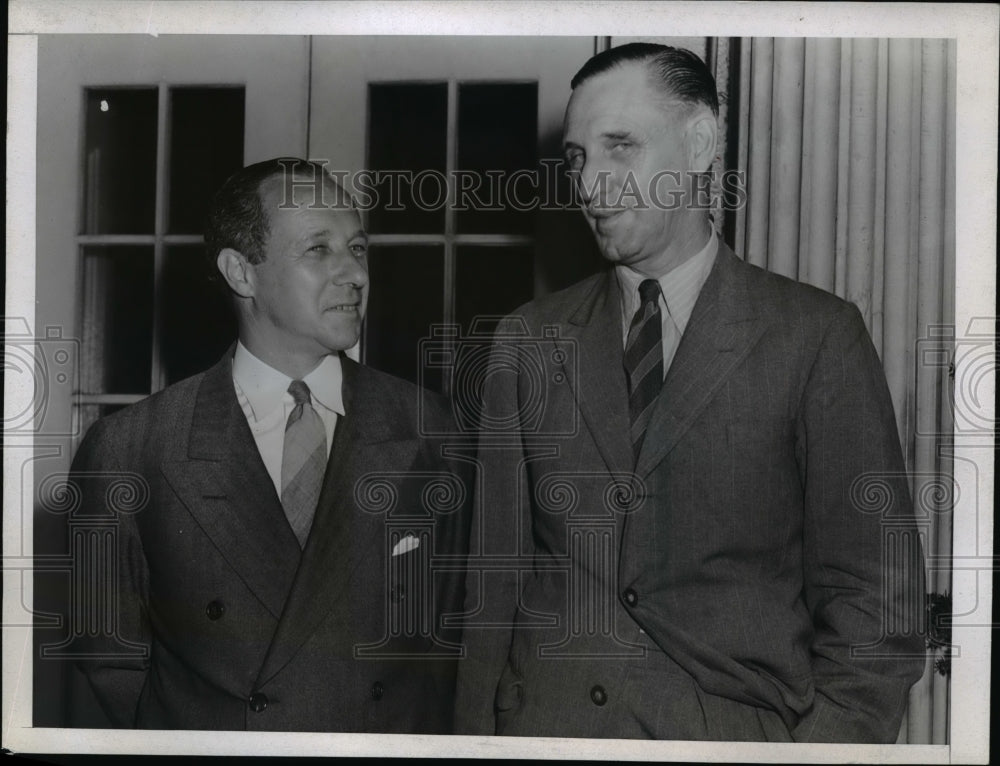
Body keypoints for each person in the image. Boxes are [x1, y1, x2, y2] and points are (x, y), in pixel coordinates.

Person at [454, 44, 926, 743]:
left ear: (700, 143)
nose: (591, 184)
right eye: (578, 157)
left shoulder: (815, 336)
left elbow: (876, 606)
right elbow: (491, 591)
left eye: (621, 146)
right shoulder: (526, 339)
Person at [67, 158, 470, 732]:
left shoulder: (434, 431)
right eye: (318, 249)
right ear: (241, 273)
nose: (355, 274)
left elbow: (457, 645)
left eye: (358, 249)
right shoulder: (131, 449)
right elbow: (109, 660)